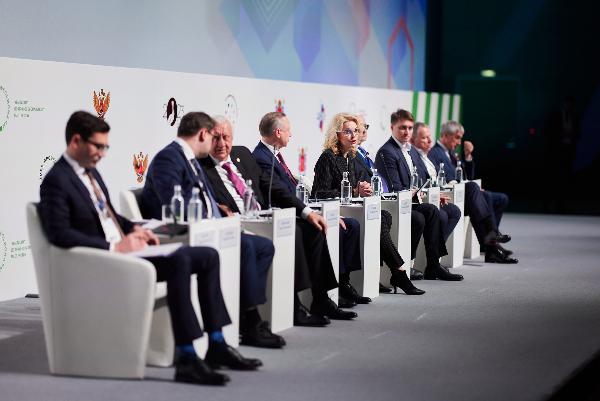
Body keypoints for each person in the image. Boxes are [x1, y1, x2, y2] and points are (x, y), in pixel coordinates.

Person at [38, 111, 260, 386]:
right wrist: (114, 246)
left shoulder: (90, 173)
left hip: (122, 253)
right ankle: (187, 357)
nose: (103, 154)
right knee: (180, 262)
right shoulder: (57, 180)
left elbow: (109, 214)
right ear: (75, 141)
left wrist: (134, 228)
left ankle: (216, 343)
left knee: (207, 257)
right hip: (101, 260)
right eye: (98, 146)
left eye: (106, 147)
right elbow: (59, 234)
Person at [140, 111, 284, 349]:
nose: (217, 144)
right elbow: (176, 207)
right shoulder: (169, 158)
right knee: (247, 247)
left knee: (263, 246)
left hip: (210, 227)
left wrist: (220, 215)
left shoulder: (189, 158)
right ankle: (251, 321)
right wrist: (216, 222)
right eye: (213, 137)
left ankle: (245, 313)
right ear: (203, 134)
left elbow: (202, 199)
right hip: (182, 234)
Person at [200, 116, 356, 324]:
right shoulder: (201, 166)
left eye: (226, 137)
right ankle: (293, 307)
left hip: (263, 216)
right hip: (240, 222)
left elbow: (272, 187)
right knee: (295, 231)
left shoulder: (242, 154)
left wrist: (307, 212)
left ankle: (321, 299)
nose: (221, 143)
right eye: (216, 138)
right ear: (207, 138)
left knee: (312, 228)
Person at [251, 111, 369, 306]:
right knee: (322, 229)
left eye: (356, 131)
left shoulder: (274, 155)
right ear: (279, 132)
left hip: (300, 209)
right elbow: (284, 193)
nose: (291, 135)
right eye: (289, 130)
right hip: (284, 215)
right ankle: (323, 297)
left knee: (352, 225)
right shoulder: (262, 157)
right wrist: (310, 212)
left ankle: (340, 286)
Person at [311, 113, 425, 295]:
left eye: (356, 131)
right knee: (380, 219)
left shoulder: (351, 157)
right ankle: (398, 272)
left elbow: (353, 189)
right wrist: (354, 191)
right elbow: (319, 193)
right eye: (348, 132)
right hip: (333, 211)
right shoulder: (328, 157)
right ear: (337, 134)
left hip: (349, 208)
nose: (354, 135)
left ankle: (379, 275)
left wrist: (362, 188)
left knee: (384, 216)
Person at [374, 109, 464, 281]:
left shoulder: (411, 150)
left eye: (409, 128)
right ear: (392, 128)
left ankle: (433, 265)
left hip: (412, 201)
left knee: (434, 210)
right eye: (402, 128)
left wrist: (428, 193)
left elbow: (422, 179)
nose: (406, 132)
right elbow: (394, 188)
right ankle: (406, 263)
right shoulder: (387, 151)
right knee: (420, 217)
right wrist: (414, 192)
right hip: (396, 204)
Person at [428, 121, 517, 263]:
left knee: (492, 196)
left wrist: (468, 156)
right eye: (457, 138)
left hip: (464, 194)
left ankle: (492, 246)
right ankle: (493, 240)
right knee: (479, 192)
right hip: (452, 196)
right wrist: (468, 185)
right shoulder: (434, 153)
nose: (459, 142)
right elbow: (442, 180)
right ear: (445, 135)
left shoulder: (451, 153)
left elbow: (468, 177)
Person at [409, 122, 462, 242]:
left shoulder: (427, 156)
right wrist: (433, 195)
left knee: (455, 211)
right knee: (442, 215)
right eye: (424, 138)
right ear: (413, 140)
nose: (430, 141)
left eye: (429, 137)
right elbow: (419, 184)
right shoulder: (413, 156)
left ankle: (437, 247)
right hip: (422, 200)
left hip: (434, 197)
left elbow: (440, 178)